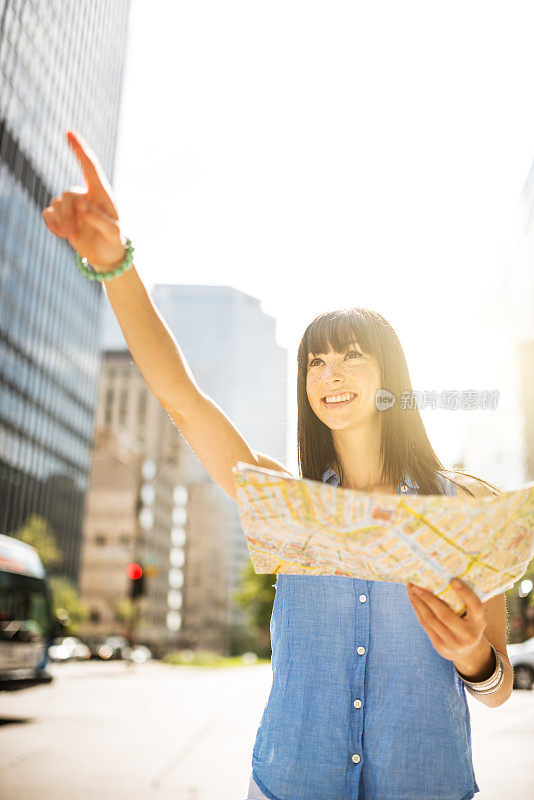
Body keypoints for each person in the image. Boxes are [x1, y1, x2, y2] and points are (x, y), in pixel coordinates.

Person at [42, 129, 514, 800]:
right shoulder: (282, 504)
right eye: (316, 361)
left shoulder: (466, 507)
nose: (331, 373)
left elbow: (495, 692)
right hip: (292, 785)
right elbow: (180, 398)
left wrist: (473, 657)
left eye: (352, 355)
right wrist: (117, 265)